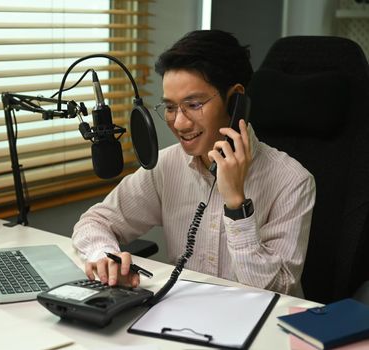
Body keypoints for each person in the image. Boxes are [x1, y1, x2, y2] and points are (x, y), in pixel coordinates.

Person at [72, 30, 316, 297]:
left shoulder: (293, 181)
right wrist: (104, 257)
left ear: (235, 101)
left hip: (258, 328)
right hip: (180, 319)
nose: (179, 123)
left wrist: (236, 205)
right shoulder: (166, 166)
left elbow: (278, 291)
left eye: (194, 104)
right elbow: (94, 222)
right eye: (171, 107)